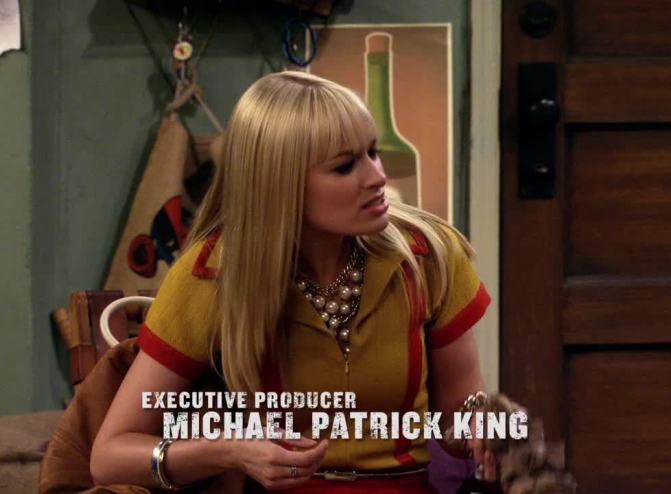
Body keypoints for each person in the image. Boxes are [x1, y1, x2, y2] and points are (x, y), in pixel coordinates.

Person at [89, 70, 493, 492]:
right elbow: (110, 457)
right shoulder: (212, 275)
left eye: (372, 152)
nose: (377, 176)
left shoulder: (428, 254)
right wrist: (227, 450)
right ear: (278, 185)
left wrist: (491, 430)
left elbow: (460, 420)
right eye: (345, 166)